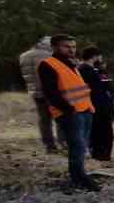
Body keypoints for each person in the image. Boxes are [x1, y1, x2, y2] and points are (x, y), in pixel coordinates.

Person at [38, 34, 98, 191]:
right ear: (55, 47)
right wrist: (68, 110)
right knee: (76, 145)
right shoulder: (48, 64)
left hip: (85, 109)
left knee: (82, 145)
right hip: (71, 113)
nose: (71, 50)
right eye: (67, 46)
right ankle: (79, 178)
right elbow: (51, 93)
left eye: (73, 47)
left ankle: (79, 175)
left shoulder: (71, 63)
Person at [79, 46, 114, 162]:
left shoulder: (96, 70)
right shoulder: (85, 70)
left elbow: (107, 86)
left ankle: (102, 155)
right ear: (95, 56)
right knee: (101, 134)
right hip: (97, 107)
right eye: (100, 56)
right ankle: (101, 156)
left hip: (101, 106)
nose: (101, 59)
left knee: (103, 133)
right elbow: (97, 89)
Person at [18, 37, 58, 153]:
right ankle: (62, 142)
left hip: (35, 91)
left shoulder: (24, 55)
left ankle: (49, 144)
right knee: (60, 117)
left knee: (44, 119)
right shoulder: (48, 56)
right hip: (50, 91)